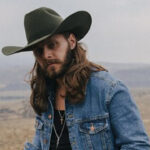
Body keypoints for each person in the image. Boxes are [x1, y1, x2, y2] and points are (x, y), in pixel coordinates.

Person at [2, 7, 150, 150]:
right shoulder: (45, 94)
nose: (46, 55)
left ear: (71, 42)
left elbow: (138, 145)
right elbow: (39, 145)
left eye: (52, 45)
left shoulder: (108, 90)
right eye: (39, 51)